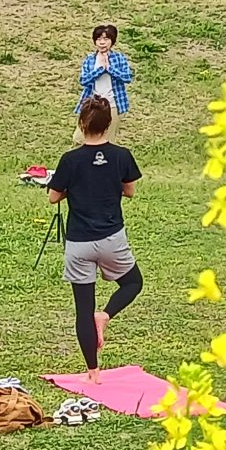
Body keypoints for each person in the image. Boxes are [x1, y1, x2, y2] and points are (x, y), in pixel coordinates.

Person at [47, 96, 144, 384]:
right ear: (109, 124)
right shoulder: (122, 155)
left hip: (79, 243)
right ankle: (107, 315)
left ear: (81, 124)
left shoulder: (69, 159)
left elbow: (53, 197)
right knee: (133, 283)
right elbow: (129, 192)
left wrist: (69, 189)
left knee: (82, 309)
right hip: (112, 238)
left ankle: (93, 373)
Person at [77, 24, 133, 117]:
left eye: (106, 39)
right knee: (84, 131)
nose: (102, 42)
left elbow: (127, 77)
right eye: (98, 39)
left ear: (112, 41)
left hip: (113, 104)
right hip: (92, 104)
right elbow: (83, 80)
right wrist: (100, 70)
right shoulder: (90, 59)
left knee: (110, 131)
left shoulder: (119, 57)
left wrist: (109, 69)